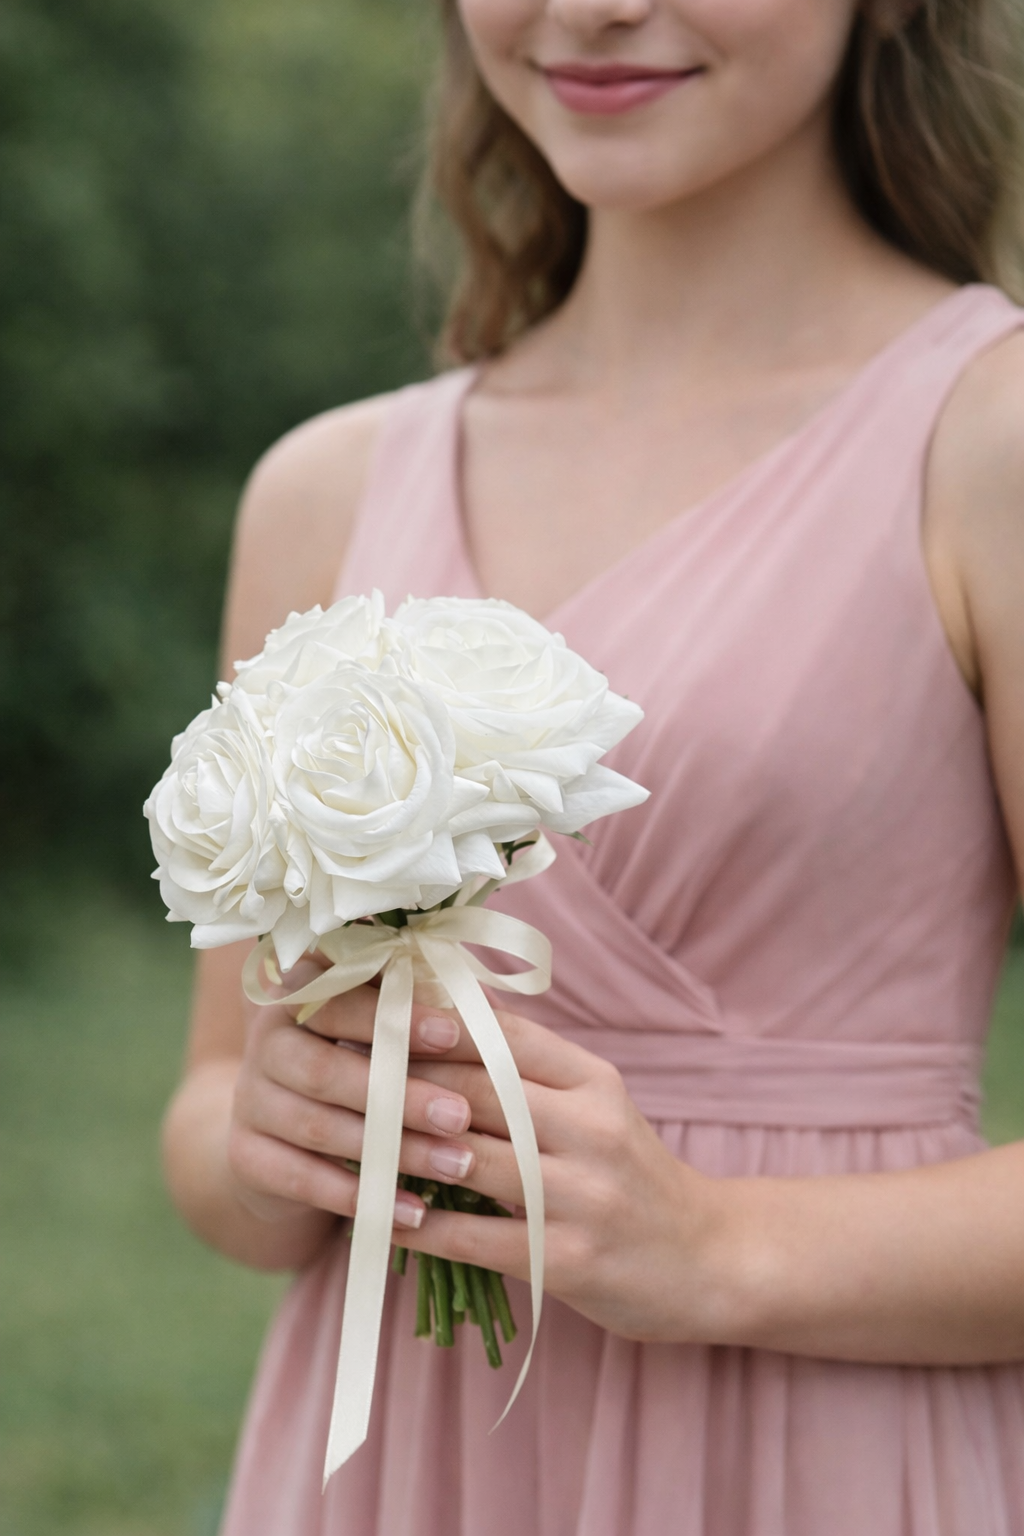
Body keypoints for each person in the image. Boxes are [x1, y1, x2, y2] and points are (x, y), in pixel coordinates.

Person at [162, 1, 1024, 1532]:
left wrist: (712, 1245)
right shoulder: (325, 486)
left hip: (819, 1454)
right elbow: (215, 1120)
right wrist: (266, 1140)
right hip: (400, 1466)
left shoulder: (991, 441)